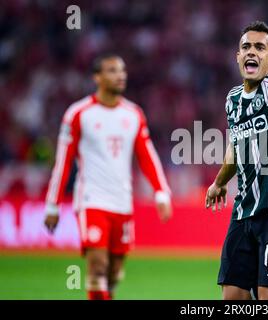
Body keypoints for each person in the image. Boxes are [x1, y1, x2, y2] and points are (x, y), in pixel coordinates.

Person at [43, 54, 172, 300]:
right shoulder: (79, 114)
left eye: (122, 70)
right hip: (92, 200)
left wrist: (161, 192)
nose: (120, 75)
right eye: (112, 70)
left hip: (122, 201)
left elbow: (147, 156)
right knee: (98, 265)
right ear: (97, 77)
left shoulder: (133, 114)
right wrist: (52, 204)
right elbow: (63, 162)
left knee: (114, 272)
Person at [205, 9, 268, 300]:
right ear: (237, 57)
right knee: (233, 295)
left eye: (260, 47)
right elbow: (237, 148)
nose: (252, 52)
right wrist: (220, 181)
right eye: (246, 47)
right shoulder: (233, 99)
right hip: (243, 211)